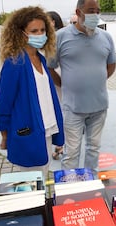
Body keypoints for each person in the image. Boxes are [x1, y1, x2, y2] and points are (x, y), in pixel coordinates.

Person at [0, 6, 64, 180]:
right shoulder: (14, 62)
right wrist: (4, 135)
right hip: (28, 132)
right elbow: (4, 103)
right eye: (34, 31)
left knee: (43, 173)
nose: (39, 34)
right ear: (21, 33)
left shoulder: (40, 58)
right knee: (31, 180)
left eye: (42, 30)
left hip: (46, 129)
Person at [48, 0, 116, 177]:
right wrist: (64, 84)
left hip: (99, 107)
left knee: (93, 150)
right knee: (71, 152)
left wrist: (96, 80)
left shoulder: (105, 37)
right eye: (91, 11)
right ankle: (69, 188)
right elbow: (50, 67)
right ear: (78, 12)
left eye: (98, 11)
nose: (95, 15)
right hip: (73, 108)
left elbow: (111, 65)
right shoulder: (61, 37)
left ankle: (90, 183)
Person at [47, 10, 65, 160]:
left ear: (54, 21)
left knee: (61, 109)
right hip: (50, 77)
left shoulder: (60, 36)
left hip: (59, 74)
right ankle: (59, 144)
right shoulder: (45, 38)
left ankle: (61, 145)